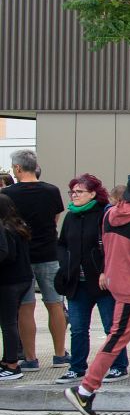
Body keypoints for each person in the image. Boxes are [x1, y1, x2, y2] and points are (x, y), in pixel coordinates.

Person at [63, 175, 130, 413]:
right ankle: (85, 389)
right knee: (118, 338)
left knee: (124, 335)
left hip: (117, 281)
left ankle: (86, 389)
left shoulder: (109, 215)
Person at [5, 149, 67, 371]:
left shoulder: (9, 194)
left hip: (22, 258)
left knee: (26, 307)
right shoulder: (52, 191)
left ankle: (30, 358)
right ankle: (60, 355)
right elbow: (55, 219)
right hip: (49, 253)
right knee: (55, 304)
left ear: (18, 168)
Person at [55, 173, 113, 384]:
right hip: (76, 283)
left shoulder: (104, 214)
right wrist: (65, 262)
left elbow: (111, 246)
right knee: (78, 328)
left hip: (101, 282)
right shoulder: (71, 216)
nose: (74, 195)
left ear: (93, 194)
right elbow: (61, 244)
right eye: (72, 192)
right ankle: (77, 367)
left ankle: (118, 365)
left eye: (79, 192)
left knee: (111, 328)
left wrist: (105, 270)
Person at [0, 196, 34, 381]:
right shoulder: (18, 225)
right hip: (23, 279)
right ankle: (7, 361)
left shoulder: (4, 228)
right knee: (11, 321)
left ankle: (12, 365)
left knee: (8, 323)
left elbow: (6, 254)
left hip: (9, 281)